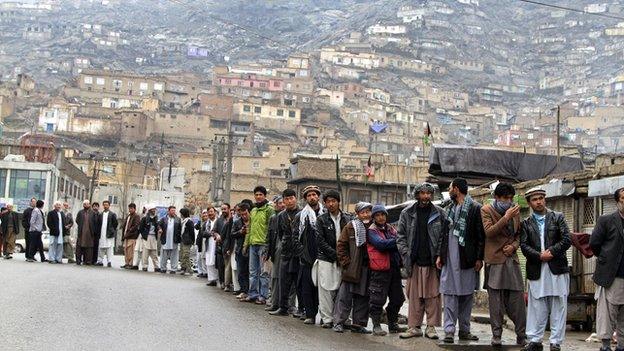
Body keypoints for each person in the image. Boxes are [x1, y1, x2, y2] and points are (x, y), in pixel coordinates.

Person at [520, 187, 571, 351]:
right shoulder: (526, 224)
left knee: (559, 304)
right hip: (537, 268)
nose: (539, 201)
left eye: (541, 198)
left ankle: (556, 341)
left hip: (557, 267)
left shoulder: (558, 217)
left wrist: (552, 252)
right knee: (537, 306)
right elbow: (524, 245)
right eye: (535, 199)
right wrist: (538, 256)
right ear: (529, 203)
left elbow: (566, 239)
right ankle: (535, 340)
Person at [397, 183, 447, 340]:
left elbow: (442, 238)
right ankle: (414, 327)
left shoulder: (440, 213)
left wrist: (439, 255)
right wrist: (406, 254)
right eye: (423, 193)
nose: (426, 196)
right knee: (415, 296)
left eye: (428, 193)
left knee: (433, 296)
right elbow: (400, 237)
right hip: (414, 262)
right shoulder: (407, 213)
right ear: (417, 195)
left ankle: (431, 327)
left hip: (432, 262)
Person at [481, 182, 527, 347]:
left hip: (511, 260)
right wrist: (506, 217)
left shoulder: (515, 211)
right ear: (497, 198)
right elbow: (489, 232)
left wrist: (514, 246)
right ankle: (497, 335)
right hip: (495, 260)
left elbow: (519, 235)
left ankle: (522, 335)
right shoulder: (486, 210)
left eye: (510, 198)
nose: (508, 201)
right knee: (496, 302)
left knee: (517, 301)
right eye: (505, 198)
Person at [439, 178, 484, 344]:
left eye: (450, 188)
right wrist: (440, 256)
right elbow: (443, 237)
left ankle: (464, 330)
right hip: (449, 261)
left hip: (467, 259)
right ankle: (449, 331)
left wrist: (479, 258)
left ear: (456, 189)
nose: (449, 190)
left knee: (466, 296)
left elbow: (480, 236)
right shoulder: (448, 209)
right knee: (450, 295)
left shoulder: (475, 208)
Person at [590, 186, 624, 351]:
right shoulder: (606, 220)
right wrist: (606, 259)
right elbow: (594, 244)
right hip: (611, 275)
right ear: (618, 201)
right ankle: (605, 346)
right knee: (607, 313)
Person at [332, 202, 373, 334]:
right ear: (358, 214)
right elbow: (341, 246)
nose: (366, 214)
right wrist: (346, 263)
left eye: (368, 212)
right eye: (363, 212)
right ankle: (339, 322)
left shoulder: (374, 227)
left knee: (363, 297)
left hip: (367, 268)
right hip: (352, 267)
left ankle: (358, 324)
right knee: (344, 297)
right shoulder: (350, 226)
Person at [367, 204, 407, 336]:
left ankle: (393, 324)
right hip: (380, 270)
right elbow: (381, 245)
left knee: (398, 298)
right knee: (377, 299)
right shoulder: (371, 231)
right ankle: (376, 325)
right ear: (373, 217)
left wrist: (395, 241)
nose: (381, 217)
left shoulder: (390, 229)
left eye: (383, 214)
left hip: (394, 269)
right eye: (377, 215)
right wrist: (397, 241)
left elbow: (397, 243)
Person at [315, 190, 350, 328]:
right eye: (328, 201)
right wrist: (335, 255)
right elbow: (320, 241)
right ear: (325, 203)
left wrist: (343, 257)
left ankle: (342, 318)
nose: (331, 204)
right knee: (325, 289)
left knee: (343, 290)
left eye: (333, 201)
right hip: (326, 258)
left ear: (338, 202)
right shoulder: (321, 220)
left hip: (344, 260)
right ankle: (327, 318)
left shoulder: (347, 219)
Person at [292, 185, 323, 324]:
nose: (312, 197)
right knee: (307, 287)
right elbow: (295, 237)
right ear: (305, 199)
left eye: (314, 194)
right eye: (309, 195)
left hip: (322, 256)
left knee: (321, 288)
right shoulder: (301, 216)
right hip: (306, 257)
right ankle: (310, 314)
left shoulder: (325, 214)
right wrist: (302, 254)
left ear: (318, 196)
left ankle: (324, 315)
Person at [270, 190, 301, 317]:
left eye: (291, 198)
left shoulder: (302, 212)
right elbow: (280, 234)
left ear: (296, 198)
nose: (289, 201)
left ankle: (300, 309)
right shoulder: (281, 216)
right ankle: (283, 307)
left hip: (299, 253)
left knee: (298, 283)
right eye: (286, 199)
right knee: (284, 281)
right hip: (285, 252)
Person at [244, 186, 275, 304]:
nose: (258, 197)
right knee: (252, 271)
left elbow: (271, 229)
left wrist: (268, 245)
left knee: (263, 272)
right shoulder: (253, 210)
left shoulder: (269, 210)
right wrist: (246, 244)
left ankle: (263, 295)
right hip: (253, 244)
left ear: (265, 195)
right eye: (256, 195)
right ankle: (252, 293)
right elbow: (249, 228)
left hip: (263, 244)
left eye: (260, 195)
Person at [266, 196, 286, 311]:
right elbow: (269, 236)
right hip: (276, 251)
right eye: (280, 203)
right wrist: (267, 251)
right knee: (274, 277)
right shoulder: (274, 218)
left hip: (287, 252)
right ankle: (274, 303)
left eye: (284, 202)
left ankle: (286, 305)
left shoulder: (292, 215)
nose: (282, 204)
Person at [231, 202, 251, 299]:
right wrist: (240, 232)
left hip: (250, 250)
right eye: (241, 214)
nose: (243, 216)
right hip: (240, 251)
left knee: (250, 272)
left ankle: (250, 291)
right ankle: (244, 290)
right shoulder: (237, 222)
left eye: (245, 214)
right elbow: (232, 234)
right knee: (240, 273)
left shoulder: (253, 221)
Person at [158, 206, 181, 274]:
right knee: (164, 255)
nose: (173, 212)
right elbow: (158, 225)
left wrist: (179, 237)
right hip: (165, 239)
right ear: (168, 211)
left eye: (174, 210)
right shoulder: (163, 219)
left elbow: (180, 229)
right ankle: (163, 268)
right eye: (172, 210)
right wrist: (160, 229)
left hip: (174, 240)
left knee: (174, 255)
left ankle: (174, 269)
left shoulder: (178, 219)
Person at [96, 200, 118, 267]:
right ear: (103, 206)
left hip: (109, 234)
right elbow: (98, 224)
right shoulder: (100, 215)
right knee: (101, 248)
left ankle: (109, 261)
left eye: (107, 205)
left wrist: (112, 230)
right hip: (102, 234)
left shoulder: (112, 214)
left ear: (109, 206)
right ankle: (100, 261)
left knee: (109, 248)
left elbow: (115, 224)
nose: (105, 206)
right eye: (104, 205)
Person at [76, 200, 97, 265]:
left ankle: (88, 261)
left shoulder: (93, 213)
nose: (85, 205)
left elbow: (95, 222)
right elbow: (77, 220)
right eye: (84, 204)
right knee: (79, 247)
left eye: (87, 204)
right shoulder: (80, 212)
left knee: (89, 247)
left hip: (90, 233)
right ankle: (78, 260)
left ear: (89, 205)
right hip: (81, 232)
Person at [219, 203, 234, 291]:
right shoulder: (222, 221)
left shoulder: (233, 220)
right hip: (227, 246)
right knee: (228, 266)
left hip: (232, 246)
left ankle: (230, 284)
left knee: (232, 267)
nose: (224, 211)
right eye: (222, 209)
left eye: (225, 209)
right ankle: (227, 284)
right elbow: (222, 235)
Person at [140, 204, 160, 272]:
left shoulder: (156, 218)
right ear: (149, 210)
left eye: (154, 210)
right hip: (147, 237)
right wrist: (144, 235)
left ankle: (156, 266)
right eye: (152, 210)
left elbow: (158, 227)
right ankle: (144, 266)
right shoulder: (145, 218)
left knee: (154, 253)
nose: (154, 211)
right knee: (145, 253)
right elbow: (141, 228)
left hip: (154, 237)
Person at [122, 203, 141, 269]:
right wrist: (124, 235)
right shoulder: (128, 216)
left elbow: (135, 226)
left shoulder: (136, 216)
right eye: (129, 208)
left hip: (132, 236)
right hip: (126, 236)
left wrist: (129, 232)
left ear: (134, 209)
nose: (130, 210)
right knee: (126, 250)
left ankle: (130, 264)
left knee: (131, 251)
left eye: (131, 208)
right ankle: (126, 263)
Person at [205, 206, 220, 286]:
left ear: (215, 212)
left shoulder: (219, 221)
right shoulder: (206, 223)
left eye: (211, 211)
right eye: (209, 212)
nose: (210, 213)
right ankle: (211, 279)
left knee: (215, 261)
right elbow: (203, 233)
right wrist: (211, 233)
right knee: (209, 261)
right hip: (209, 243)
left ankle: (217, 278)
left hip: (216, 243)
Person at [179, 208, 195, 275]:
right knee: (182, 255)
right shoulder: (183, 221)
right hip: (182, 240)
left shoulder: (189, 221)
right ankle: (183, 268)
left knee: (186, 255)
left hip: (187, 241)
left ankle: (189, 269)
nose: (180, 215)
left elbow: (192, 232)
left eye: (181, 213)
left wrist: (192, 241)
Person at [195, 209, 209, 278]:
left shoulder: (209, 222)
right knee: (199, 258)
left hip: (206, 241)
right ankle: (200, 271)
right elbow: (196, 227)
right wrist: (201, 220)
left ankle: (205, 272)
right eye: (204, 213)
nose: (205, 215)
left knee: (204, 257)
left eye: (206, 213)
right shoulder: (200, 222)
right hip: (200, 241)